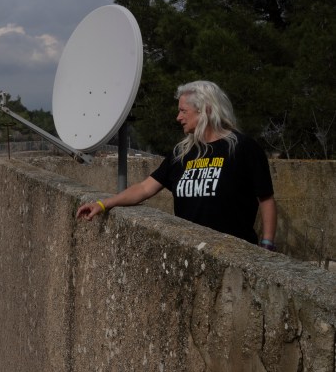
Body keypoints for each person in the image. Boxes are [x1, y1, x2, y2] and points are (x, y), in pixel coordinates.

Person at [76, 80, 278, 250]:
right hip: (190, 253)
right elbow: (145, 188)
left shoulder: (243, 148)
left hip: (235, 256)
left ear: (205, 110)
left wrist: (267, 244)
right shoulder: (181, 153)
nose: (178, 117)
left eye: (183, 111)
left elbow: (266, 198)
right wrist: (103, 204)